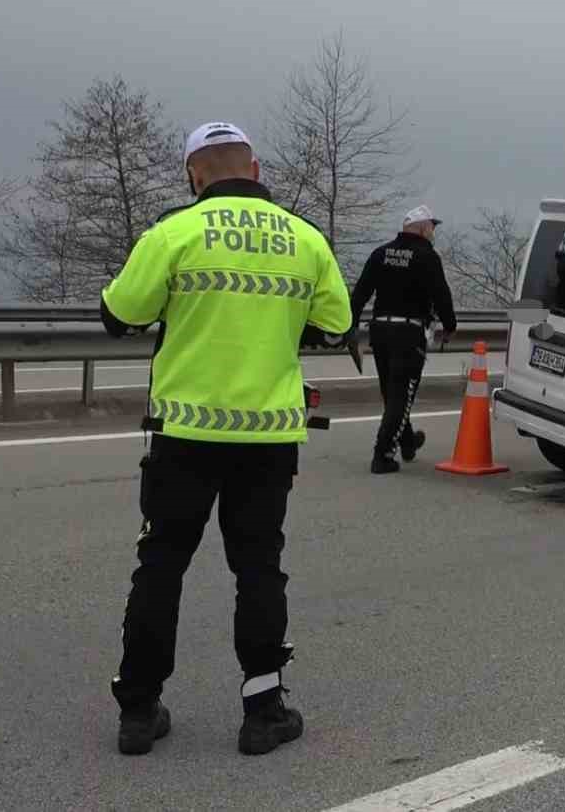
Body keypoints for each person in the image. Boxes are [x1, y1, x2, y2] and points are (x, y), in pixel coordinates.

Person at [99, 121, 352, 756]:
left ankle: (138, 710)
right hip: (267, 439)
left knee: (160, 566)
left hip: (183, 434)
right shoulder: (304, 238)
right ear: (256, 168)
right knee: (258, 567)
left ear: (193, 174)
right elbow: (337, 321)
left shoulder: (173, 234)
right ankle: (263, 711)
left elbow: (119, 313)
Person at [350, 205, 458, 474]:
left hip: (380, 331)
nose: (433, 232)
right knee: (401, 394)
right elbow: (441, 294)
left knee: (393, 391)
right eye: (432, 226)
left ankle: (407, 441)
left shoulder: (381, 253)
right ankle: (382, 454)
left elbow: (361, 292)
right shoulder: (427, 256)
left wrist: (349, 323)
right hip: (408, 334)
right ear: (422, 228)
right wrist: (450, 325)